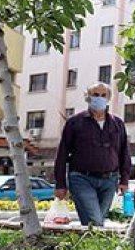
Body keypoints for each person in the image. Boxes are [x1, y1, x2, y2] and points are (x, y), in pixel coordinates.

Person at [54, 81, 130, 227]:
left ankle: (87, 249)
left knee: (96, 225)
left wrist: (124, 180)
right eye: (95, 94)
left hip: (109, 181)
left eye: (103, 95)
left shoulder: (117, 124)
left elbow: (124, 152)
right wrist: (60, 184)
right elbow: (62, 153)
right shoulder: (74, 122)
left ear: (108, 98)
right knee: (95, 221)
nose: (99, 98)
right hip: (82, 179)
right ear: (87, 97)